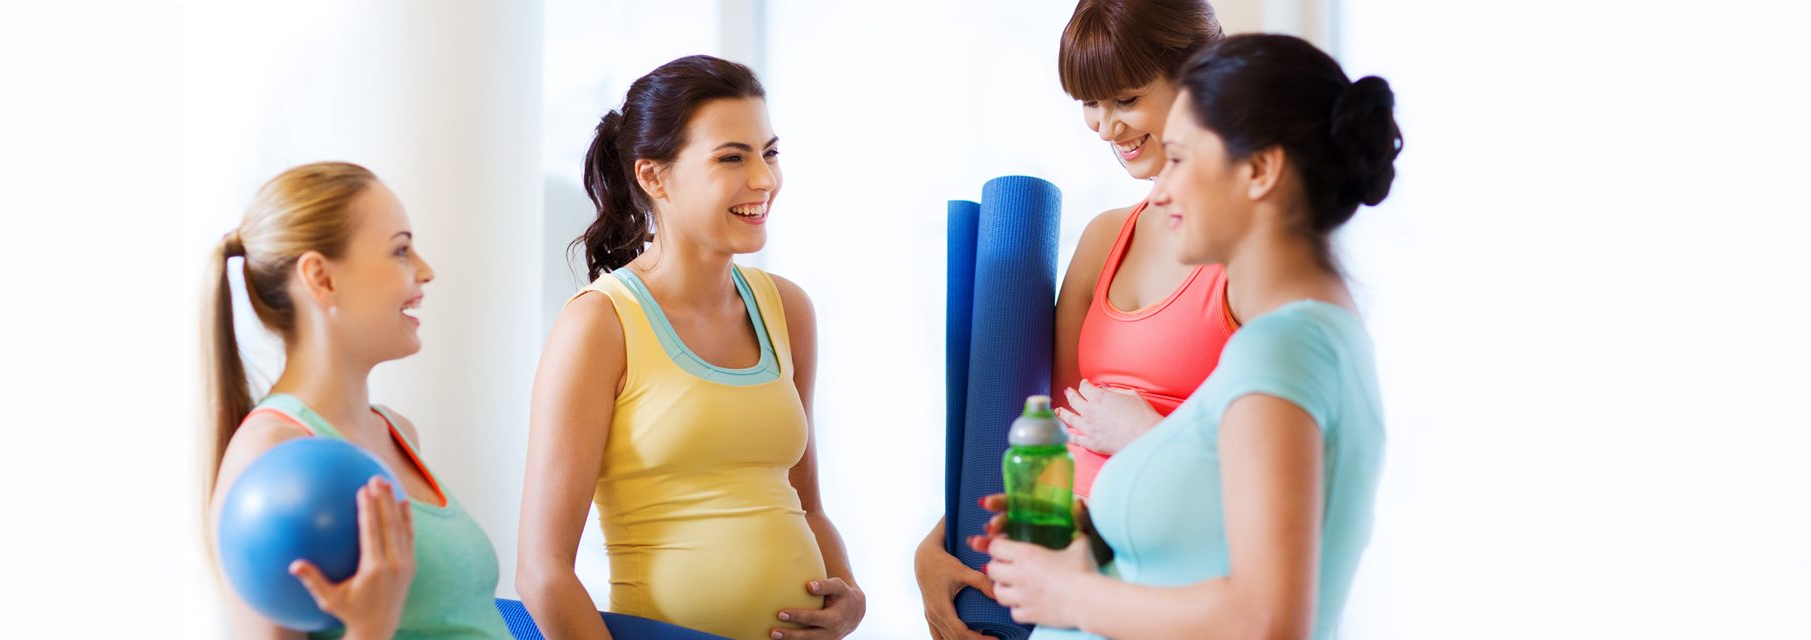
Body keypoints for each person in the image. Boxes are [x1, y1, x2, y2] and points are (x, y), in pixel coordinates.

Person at [975, 34, 1400, 640]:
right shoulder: (1307, 339)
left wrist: (1071, 594)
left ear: (1258, 170)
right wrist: (1086, 540)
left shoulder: (1281, 347)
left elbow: (1265, 619)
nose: (1162, 190)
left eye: (1180, 159)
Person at [514, 55, 864, 640]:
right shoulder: (601, 324)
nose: (764, 179)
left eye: (769, 152)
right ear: (653, 177)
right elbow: (543, 573)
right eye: (732, 157)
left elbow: (807, 505)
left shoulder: (787, 308)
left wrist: (846, 598)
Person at [914, 2, 1234, 638]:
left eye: (1125, 98)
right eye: (1089, 104)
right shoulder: (1104, 238)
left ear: (1200, 77)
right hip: (1067, 580)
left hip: (1177, 582)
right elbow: (1041, 434)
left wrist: (1150, 435)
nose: (1105, 127)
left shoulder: (1244, 250)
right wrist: (941, 541)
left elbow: (1278, 467)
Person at [205, 162, 514, 640]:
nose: (426, 271)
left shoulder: (396, 431)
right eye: (401, 250)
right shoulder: (267, 455)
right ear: (321, 279)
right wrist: (369, 626)